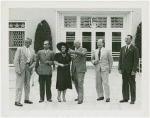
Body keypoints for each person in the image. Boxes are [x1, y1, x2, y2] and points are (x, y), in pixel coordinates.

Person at [14, 37, 36, 106]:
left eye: (28, 42)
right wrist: (17, 70)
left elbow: (35, 61)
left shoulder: (32, 50)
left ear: (30, 43)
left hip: (28, 68)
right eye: (25, 42)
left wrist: (31, 67)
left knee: (27, 84)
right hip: (21, 69)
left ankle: (26, 99)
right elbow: (16, 60)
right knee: (19, 85)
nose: (26, 43)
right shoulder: (20, 49)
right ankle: (17, 100)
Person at [118, 35, 139, 104]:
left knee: (132, 85)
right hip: (124, 70)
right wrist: (119, 68)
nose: (126, 40)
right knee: (124, 85)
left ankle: (133, 99)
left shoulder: (134, 49)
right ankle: (125, 98)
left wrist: (134, 70)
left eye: (127, 39)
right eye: (125, 39)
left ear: (131, 40)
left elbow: (136, 61)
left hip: (131, 71)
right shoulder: (122, 48)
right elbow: (120, 59)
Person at [68, 40, 87, 104]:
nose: (74, 45)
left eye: (76, 44)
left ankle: (80, 99)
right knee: (76, 84)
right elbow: (73, 61)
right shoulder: (74, 51)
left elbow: (82, 54)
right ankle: (79, 95)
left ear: (79, 44)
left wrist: (74, 51)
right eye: (74, 44)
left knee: (80, 84)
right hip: (74, 70)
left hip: (81, 70)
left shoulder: (84, 49)